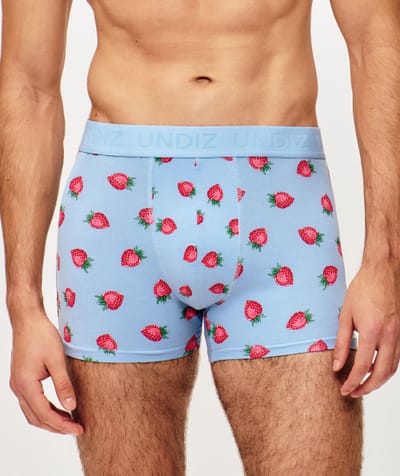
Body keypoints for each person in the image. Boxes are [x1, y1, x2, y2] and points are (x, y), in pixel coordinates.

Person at [0, 0, 399, 474]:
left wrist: (385, 261)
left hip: (283, 210)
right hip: (118, 213)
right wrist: (23, 303)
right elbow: (28, 85)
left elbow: (378, 44)